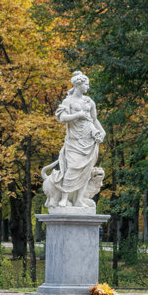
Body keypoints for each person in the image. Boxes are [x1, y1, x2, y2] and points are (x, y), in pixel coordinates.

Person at [41, 70, 105, 210]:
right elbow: (62, 118)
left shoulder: (89, 101)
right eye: (86, 84)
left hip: (89, 141)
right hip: (74, 141)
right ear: (79, 85)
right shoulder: (68, 101)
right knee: (71, 169)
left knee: (86, 171)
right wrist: (78, 114)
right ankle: (64, 198)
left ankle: (78, 200)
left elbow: (94, 120)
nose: (87, 87)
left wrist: (101, 132)